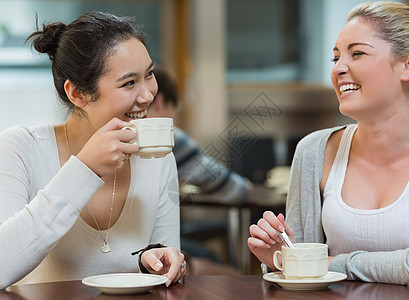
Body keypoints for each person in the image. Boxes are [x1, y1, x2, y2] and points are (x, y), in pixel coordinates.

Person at [248, 1, 409, 287]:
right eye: (335, 58)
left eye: (357, 54)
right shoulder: (313, 151)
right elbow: (306, 277)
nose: (339, 69)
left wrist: (343, 264)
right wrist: (284, 256)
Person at [0, 11, 185, 289]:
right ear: (77, 93)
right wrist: (84, 169)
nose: (148, 95)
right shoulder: (20, 149)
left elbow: (165, 267)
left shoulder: (157, 158)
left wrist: (158, 261)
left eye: (149, 74)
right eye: (129, 83)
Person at [147, 68, 251, 204]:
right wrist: (244, 187)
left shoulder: (121, 131)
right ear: (160, 101)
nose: (171, 117)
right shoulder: (168, 137)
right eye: (171, 109)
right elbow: (226, 184)